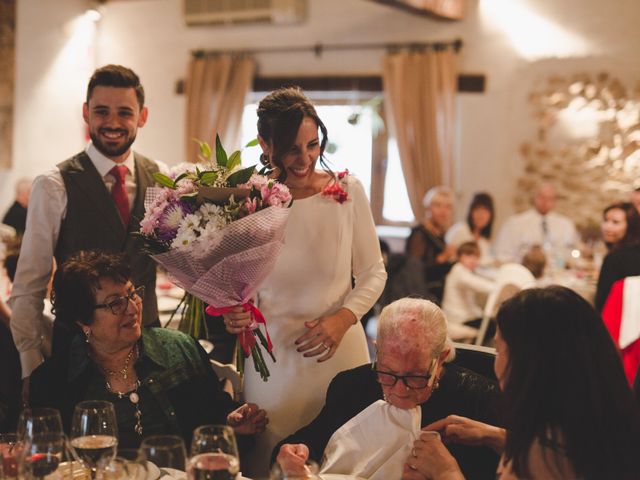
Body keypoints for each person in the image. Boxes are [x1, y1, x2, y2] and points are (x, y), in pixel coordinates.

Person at [223, 86, 387, 475]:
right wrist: (235, 314)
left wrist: (342, 319)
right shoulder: (248, 201)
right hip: (273, 360)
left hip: (340, 353)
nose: (305, 158)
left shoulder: (346, 192)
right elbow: (238, 288)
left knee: (346, 461)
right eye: (292, 148)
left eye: (312, 145)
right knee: (273, 462)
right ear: (265, 144)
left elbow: (373, 272)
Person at [10, 65, 166, 393]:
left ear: (143, 116)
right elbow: (29, 284)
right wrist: (31, 364)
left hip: (148, 345)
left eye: (124, 112)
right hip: (76, 354)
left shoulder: (161, 177)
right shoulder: (53, 185)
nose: (112, 122)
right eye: (101, 111)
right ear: (86, 113)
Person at [29, 250, 268, 454]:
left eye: (132, 294)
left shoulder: (180, 350)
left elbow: (216, 418)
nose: (132, 308)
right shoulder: (54, 381)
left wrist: (233, 424)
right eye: (115, 303)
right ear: (83, 320)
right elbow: (53, 460)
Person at [404, 287, 640, 480]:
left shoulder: (547, 461)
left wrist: (446, 473)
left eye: (499, 350)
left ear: (529, 365)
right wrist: (495, 436)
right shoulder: (597, 421)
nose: (496, 364)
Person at [273, 298, 501, 480]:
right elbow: (309, 442)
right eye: (387, 373)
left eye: (415, 376)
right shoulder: (352, 385)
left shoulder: (477, 401)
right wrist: (293, 455)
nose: (400, 390)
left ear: (440, 359)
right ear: (378, 351)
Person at [494, 183, 578, 263]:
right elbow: (502, 253)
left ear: (555, 201)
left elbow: (573, 252)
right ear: (535, 197)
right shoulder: (516, 223)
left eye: (550, 198)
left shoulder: (565, 224)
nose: (545, 202)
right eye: (542, 197)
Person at [406, 186, 456, 303]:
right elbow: (415, 271)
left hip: (438, 293)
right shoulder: (419, 233)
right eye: (438, 205)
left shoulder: (440, 235)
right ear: (428, 207)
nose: (443, 211)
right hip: (422, 297)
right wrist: (443, 257)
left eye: (448, 207)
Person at [441, 242, 495, 337]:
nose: (473, 260)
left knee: (489, 322)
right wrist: (498, 288)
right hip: (458, 318)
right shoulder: (458, 270)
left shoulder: (466, 271)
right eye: (468, 255)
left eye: (476, 256)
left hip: (464, 316)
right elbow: (478, 284)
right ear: (460, 256)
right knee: (491, 325)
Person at [595, 202, 640, 311]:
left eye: (615, 222)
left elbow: (601, 302)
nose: (607, 227)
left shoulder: (614, 258)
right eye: (606, 220)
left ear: (630, 226)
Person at [446, 192, 495, 266]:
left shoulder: (484, 240)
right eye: (477, 209)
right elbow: (451, 260)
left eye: (485, 210)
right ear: (470, 212)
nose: (481, 215)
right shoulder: (459, 230)